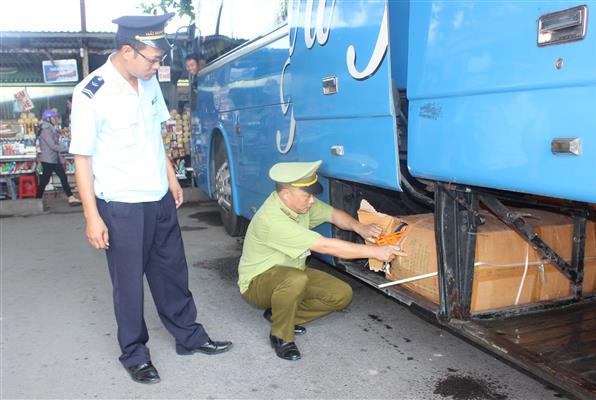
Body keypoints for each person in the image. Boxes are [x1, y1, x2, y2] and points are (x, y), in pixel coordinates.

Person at [69, 13, 232, 385]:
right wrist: (91, 217)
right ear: (127, 50)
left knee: (173, 273)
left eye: (159, 59)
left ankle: (189, 337)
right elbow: (82, 158)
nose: (157, 66)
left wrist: (171, 179)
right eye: (152, 59)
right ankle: (135, 353)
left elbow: (153, 135)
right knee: (128, 284)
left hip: (158, 198)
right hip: (121, 206)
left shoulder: (148, 83)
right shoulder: (91, 92)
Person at [238, 160, 405, 361]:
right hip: (258, 283)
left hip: (291, 271)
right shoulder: (272, 220)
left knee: (341, 295)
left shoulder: (300, 204)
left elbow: (333, 214)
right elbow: (326, 246)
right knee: (294, 281)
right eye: (307, 195)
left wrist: (358, 227)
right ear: (286, 194)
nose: (312, 200)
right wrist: (376, 253)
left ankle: (279, 314)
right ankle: (281, 336)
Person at [36, 109, 81, 205]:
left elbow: (55, 143)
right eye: (54, 117)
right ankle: (37, 199)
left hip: (53, 159)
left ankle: (71, 197)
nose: (56, 119)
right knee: (45, 180)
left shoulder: (50, 128)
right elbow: (53, 145)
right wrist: (66, 149)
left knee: (62, 177)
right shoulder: (46, 130)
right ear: (48, 119)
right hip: (49, 160)